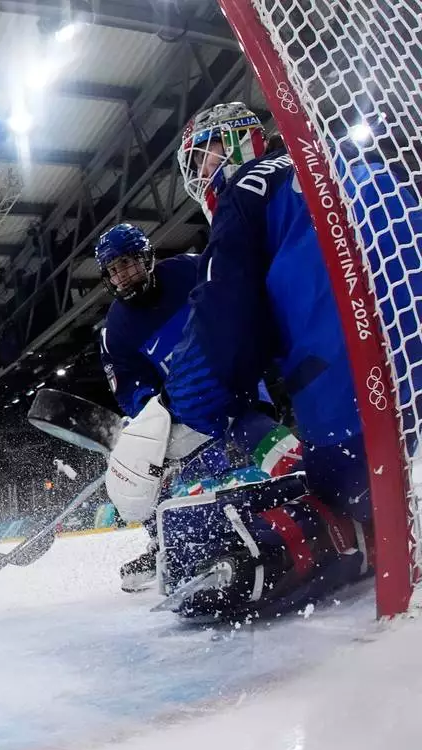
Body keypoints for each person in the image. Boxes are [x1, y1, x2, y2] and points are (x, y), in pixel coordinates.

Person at [105, 101, 421, 620]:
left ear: (233, 146)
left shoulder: (241, 199)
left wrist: (183, 407)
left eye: (202, 162)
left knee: (337, 488)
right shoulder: (330, 157)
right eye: (112, 269)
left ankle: (358, 531)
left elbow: (218, 339)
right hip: (406, 336)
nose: (122, 275)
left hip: (356, 376)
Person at [96, 222, 301, 592]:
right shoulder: (115, 330)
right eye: (112, 270)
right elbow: (130, 388)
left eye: (126, 264)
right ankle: (167, 543)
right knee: (152, 466)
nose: (121, 276)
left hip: (236, 381)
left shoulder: (190, 269)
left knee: (255, 442)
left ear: (146, 258)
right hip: (189, 412)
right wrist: (156, 412)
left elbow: (233, 303)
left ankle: (300, 494)